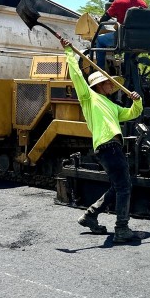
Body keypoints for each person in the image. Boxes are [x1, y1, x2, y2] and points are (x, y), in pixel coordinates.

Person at [60, 36, 143, 243]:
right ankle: (121, 228)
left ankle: (90, 216)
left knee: (118, 186)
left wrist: (137, 102)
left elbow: (132, 114)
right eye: (108, 83)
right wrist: (69, 52)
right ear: (100, 85)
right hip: (108, 147)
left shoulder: (112, 106)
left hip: (111, 147)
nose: (111, 86)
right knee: (124, 187)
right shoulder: (88, 97)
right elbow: (77, 76)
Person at [94, 0, 148, 69]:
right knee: (129, 51)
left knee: (99, 40)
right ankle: (128, 73)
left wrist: (100, 21)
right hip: (140, 40)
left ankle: (101, 71)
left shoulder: (119, 2)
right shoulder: (143, 4)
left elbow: (104, 19)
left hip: (124, 38)